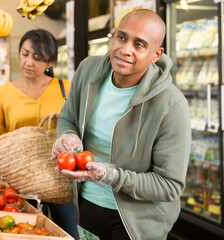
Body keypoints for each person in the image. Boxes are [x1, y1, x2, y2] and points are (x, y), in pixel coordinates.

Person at [52, 9, 191, 240]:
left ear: (156, 54)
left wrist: (111, 176)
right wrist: (67, 135)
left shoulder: (172, 105)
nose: (125, 49)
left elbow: (170, 186)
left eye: (139, 45)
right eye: (122, 37)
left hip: (138, 223)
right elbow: (68, 118)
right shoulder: (88, 70)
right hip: (87, 207)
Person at [0, 29, 79, 239]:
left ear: (51, 62)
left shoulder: (67, 89)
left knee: (72, 235)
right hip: (22, 182)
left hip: (63, 178)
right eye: (25, 54)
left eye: (37, 58)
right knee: (27, 235)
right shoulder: (3, 93)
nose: (28, 62)